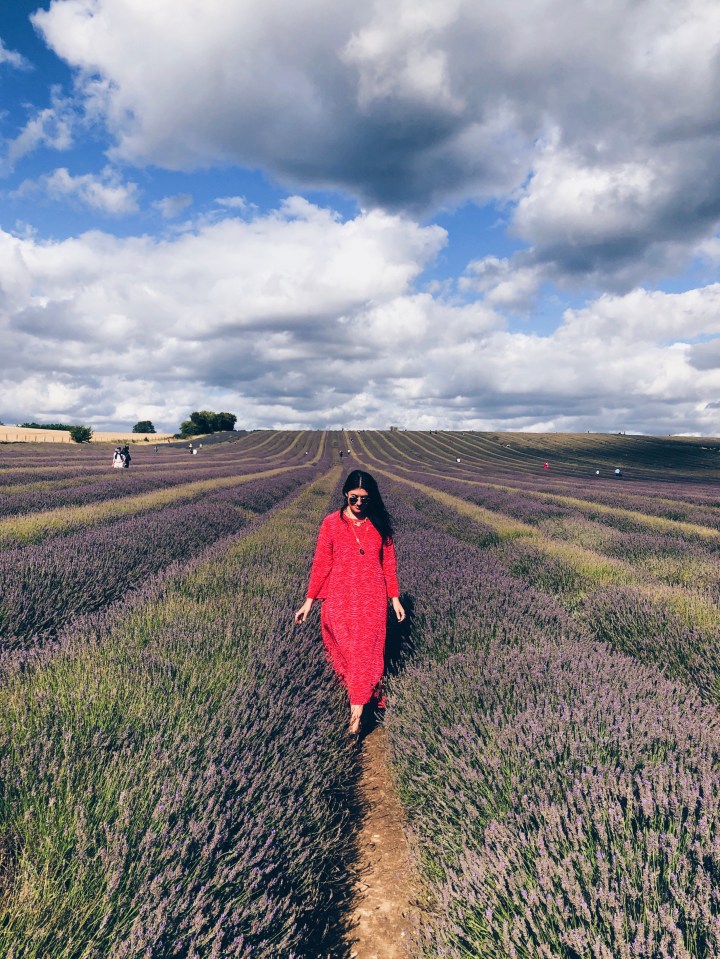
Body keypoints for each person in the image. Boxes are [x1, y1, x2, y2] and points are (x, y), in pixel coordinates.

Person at [295, 470, 405, 735]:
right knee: (350, 654)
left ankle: (355, 720)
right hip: (340, 599)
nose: (358, 503)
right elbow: (321, 564)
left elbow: (388, 564)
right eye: (354, 498)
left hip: (372, 600)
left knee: (365, 655)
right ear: (345, 494)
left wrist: (395, 599)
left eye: (364, 499)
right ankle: (359, 701)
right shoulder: (331, 523)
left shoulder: (379, 524)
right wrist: (309, 602)